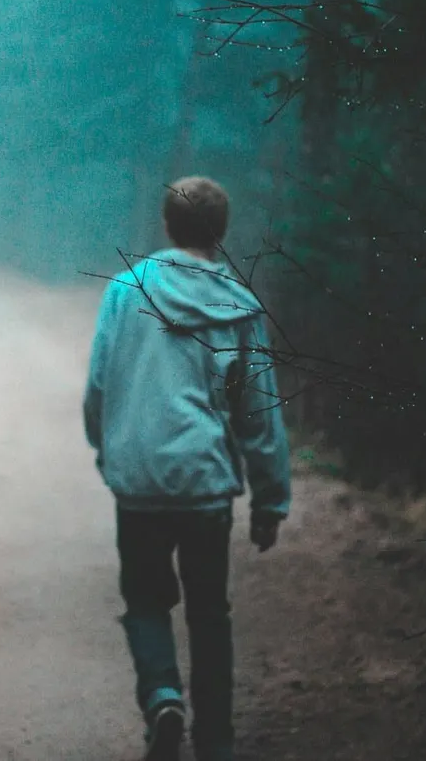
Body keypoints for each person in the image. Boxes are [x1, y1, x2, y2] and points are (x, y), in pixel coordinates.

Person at [82, 176, 292, 761]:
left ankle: (163, 696)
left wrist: (110, 451)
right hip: (205, 482)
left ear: (167, 225)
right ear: (221, 232)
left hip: (140, 480)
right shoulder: (239, 304)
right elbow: (258, 410)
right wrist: (271, 498)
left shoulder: (126, 291)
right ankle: (216, 742)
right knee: (209, 612)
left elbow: (99, 385)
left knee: (146, 601)